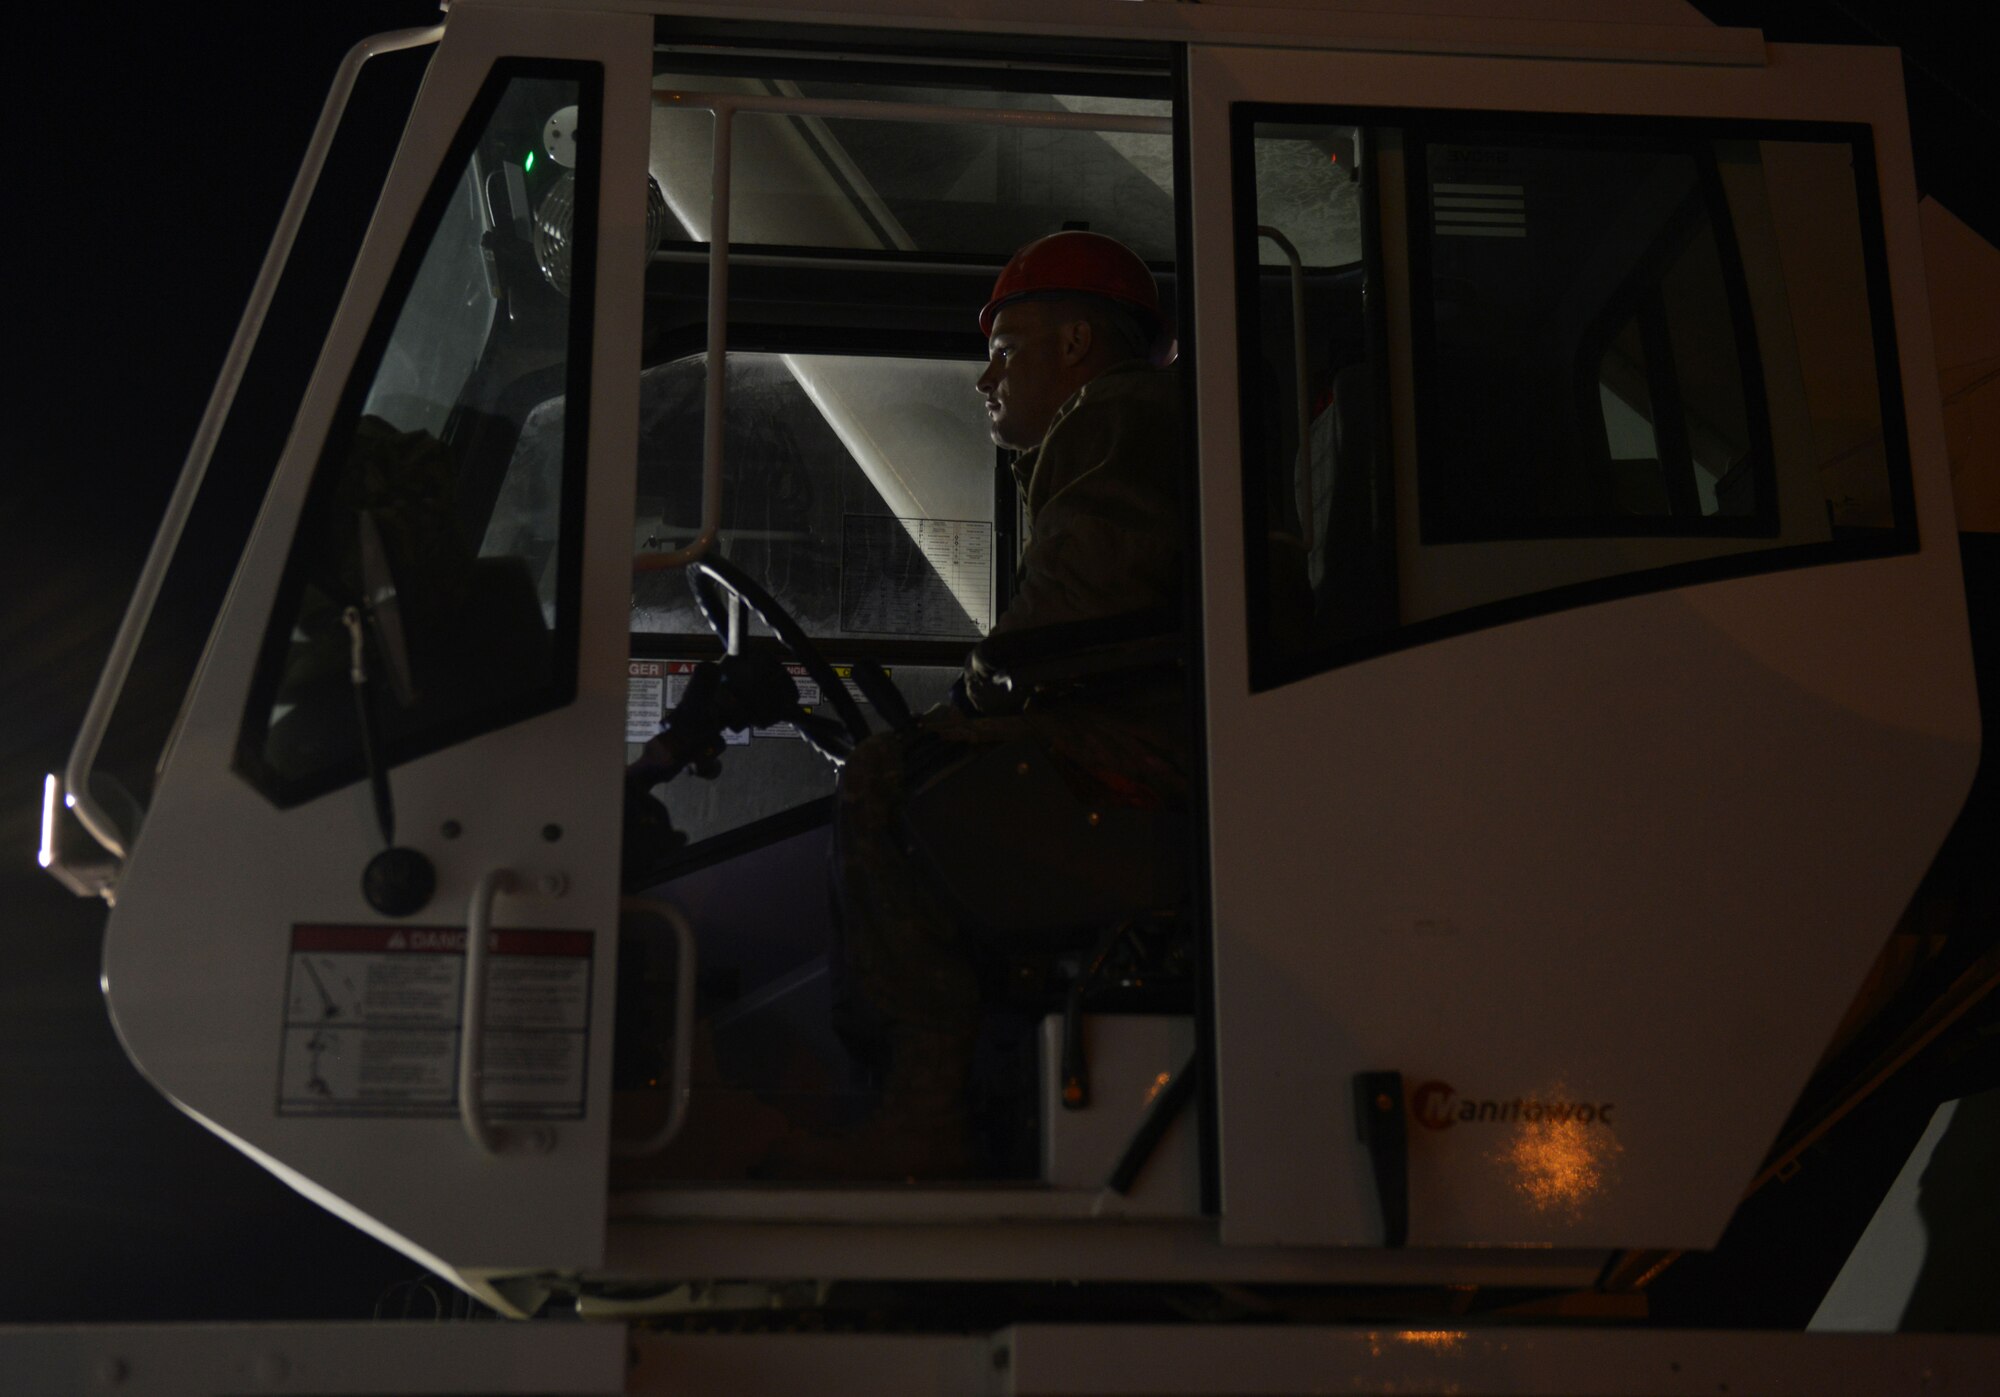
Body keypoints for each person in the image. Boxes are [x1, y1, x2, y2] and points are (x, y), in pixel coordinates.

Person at [779, 232, 1192, 1180]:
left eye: (1005, 350)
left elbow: (1081, 610)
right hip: (1143, 729)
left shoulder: (1116, 413)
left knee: (885, 780)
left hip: (1141, 749)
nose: (985, 380)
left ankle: (922, 1112)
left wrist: (972, 701)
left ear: (1080, 342)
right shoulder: (1125, 422)